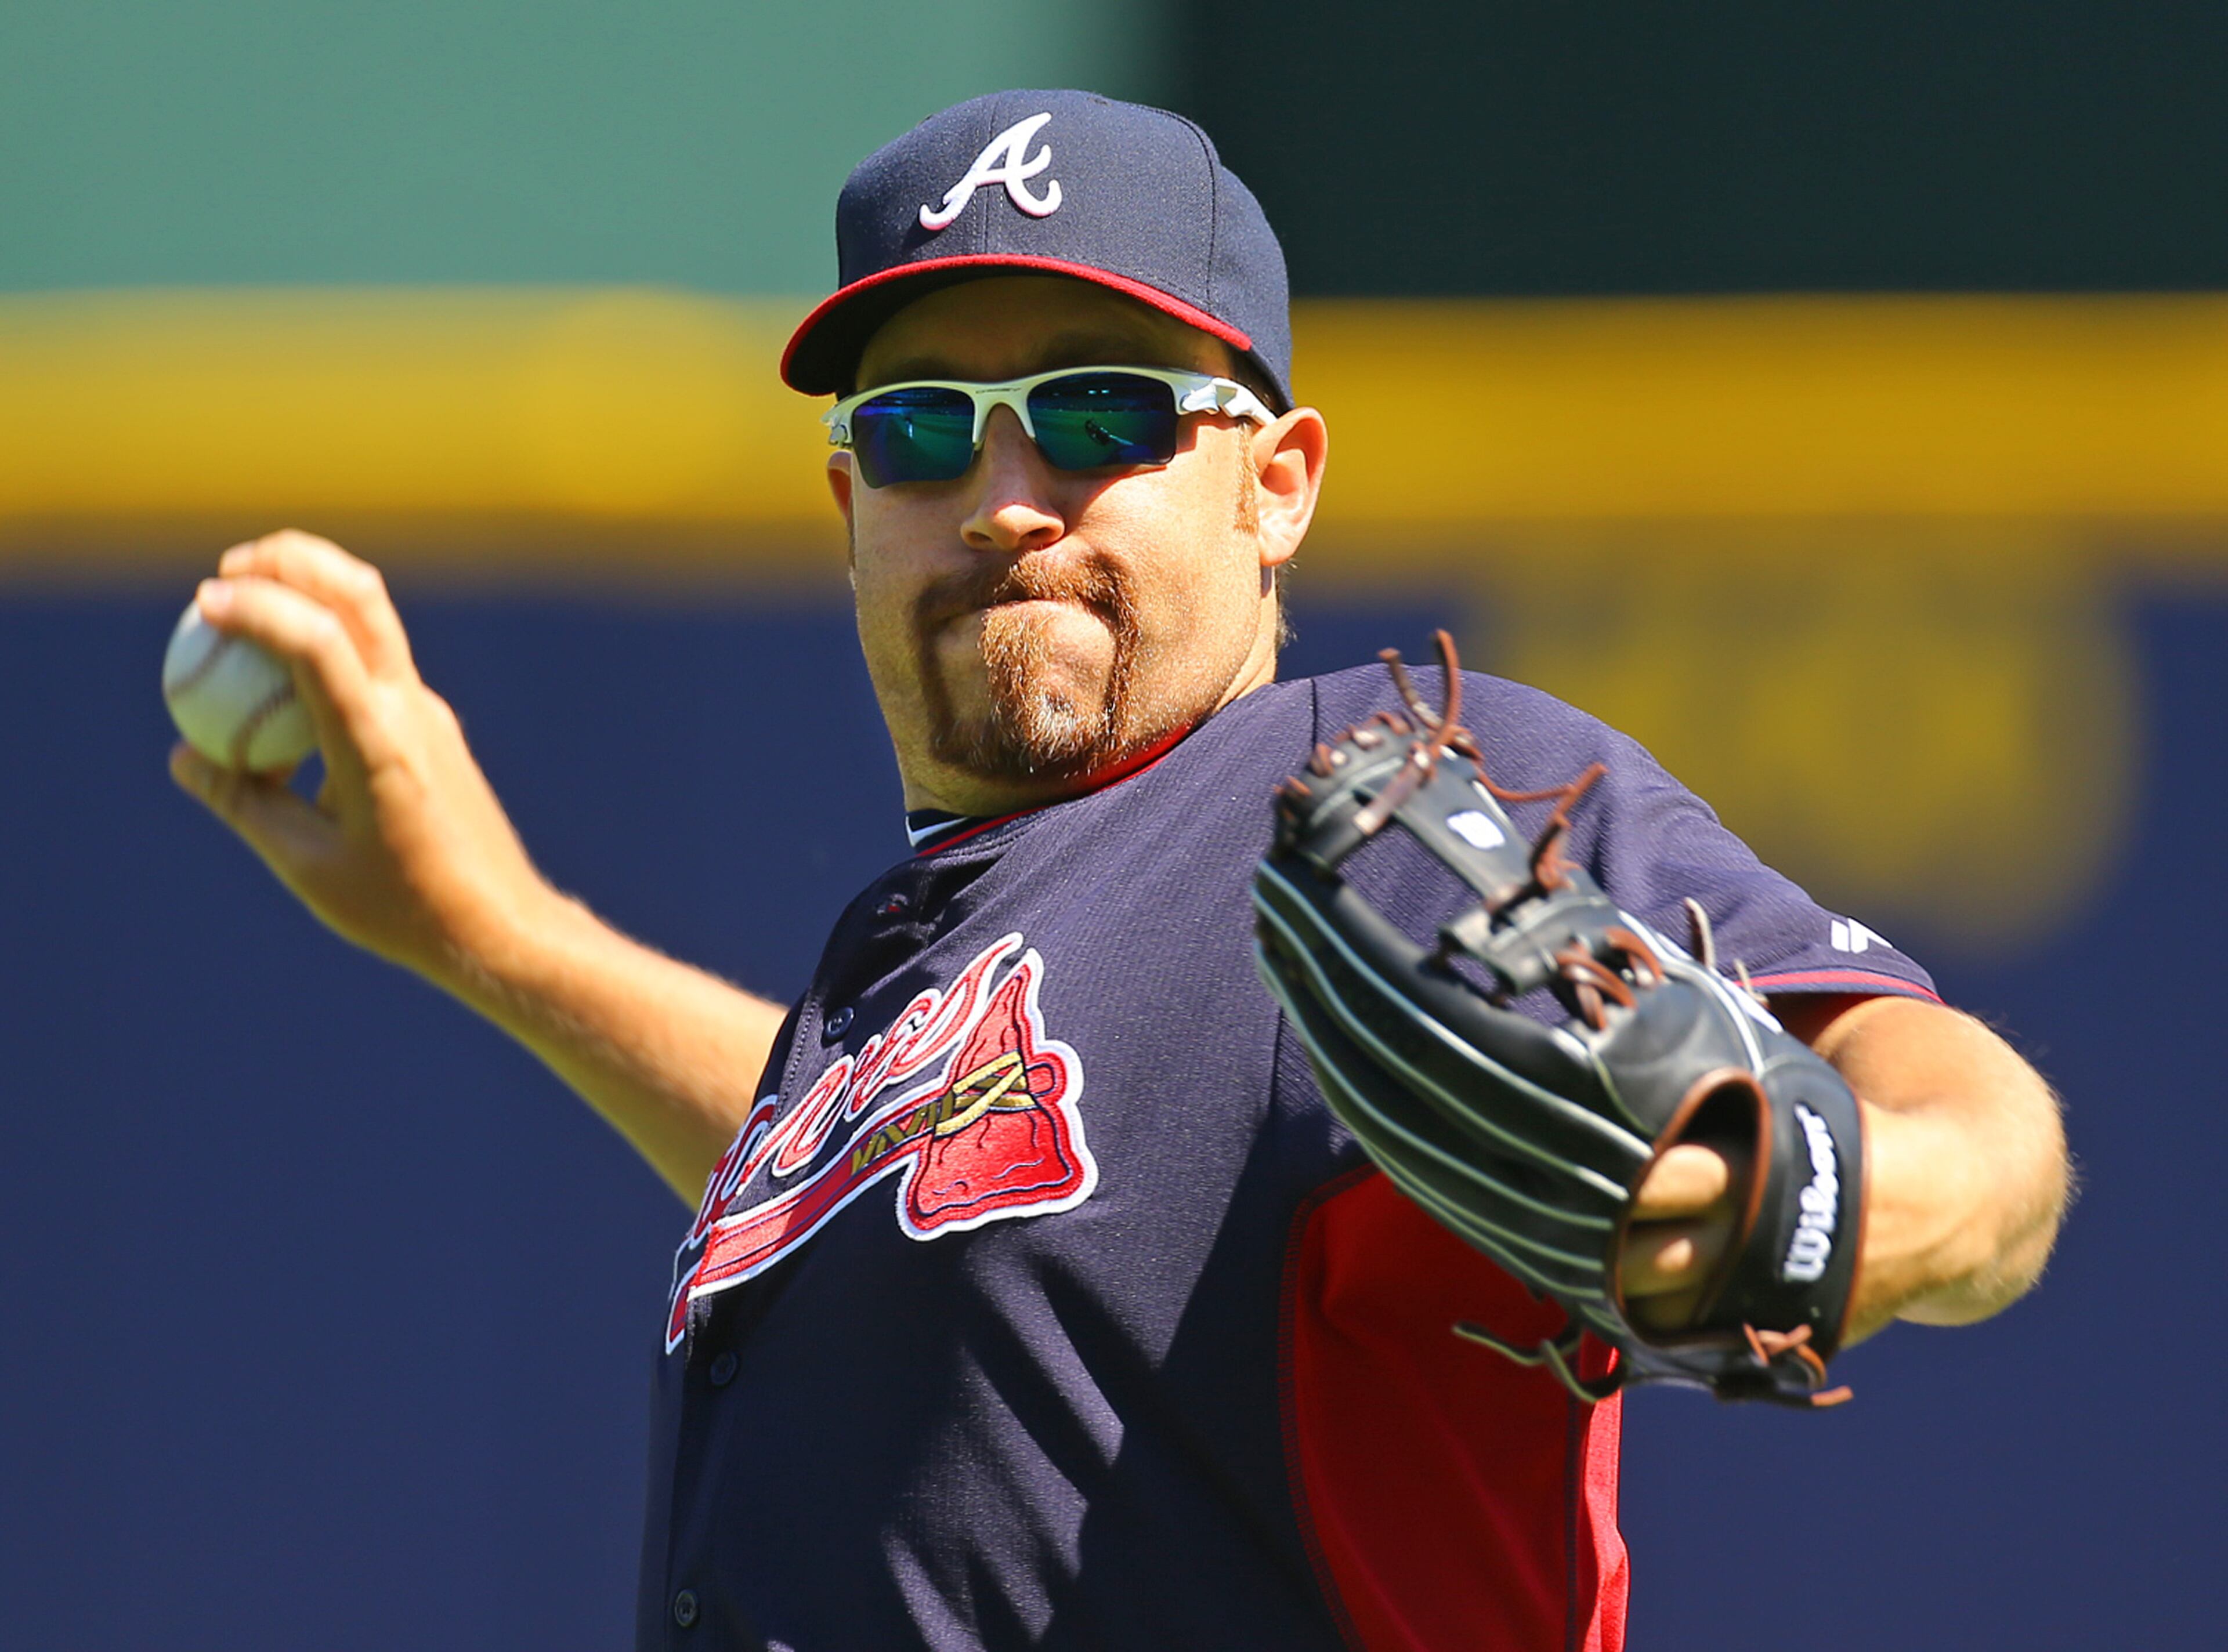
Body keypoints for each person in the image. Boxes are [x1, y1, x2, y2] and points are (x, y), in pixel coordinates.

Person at [171, 90, 2069, 1652]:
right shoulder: (904, 982)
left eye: (1101, 412)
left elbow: (1982, 1132)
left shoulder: (1367, 789)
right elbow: (926, 1198)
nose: (1004, 498)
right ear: (850, 509)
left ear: (1279, 480)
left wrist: (1808, 1206)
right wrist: (496, 934)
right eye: (920, 430)